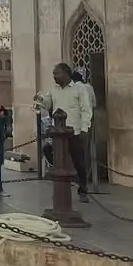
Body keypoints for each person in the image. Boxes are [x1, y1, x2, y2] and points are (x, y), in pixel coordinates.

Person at [36, 63, 93, 198]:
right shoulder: (54, 90)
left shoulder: (79, 89)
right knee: (56, 159)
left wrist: (85, 128)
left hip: (75, 131)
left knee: (78, 160)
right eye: (54, 74)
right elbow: (48, 103)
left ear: (66, 74)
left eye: (57, 73)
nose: (55, 77)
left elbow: (86, 110)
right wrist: (41, 100)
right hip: (58, 133)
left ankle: (83, 188)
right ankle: (60, 190)